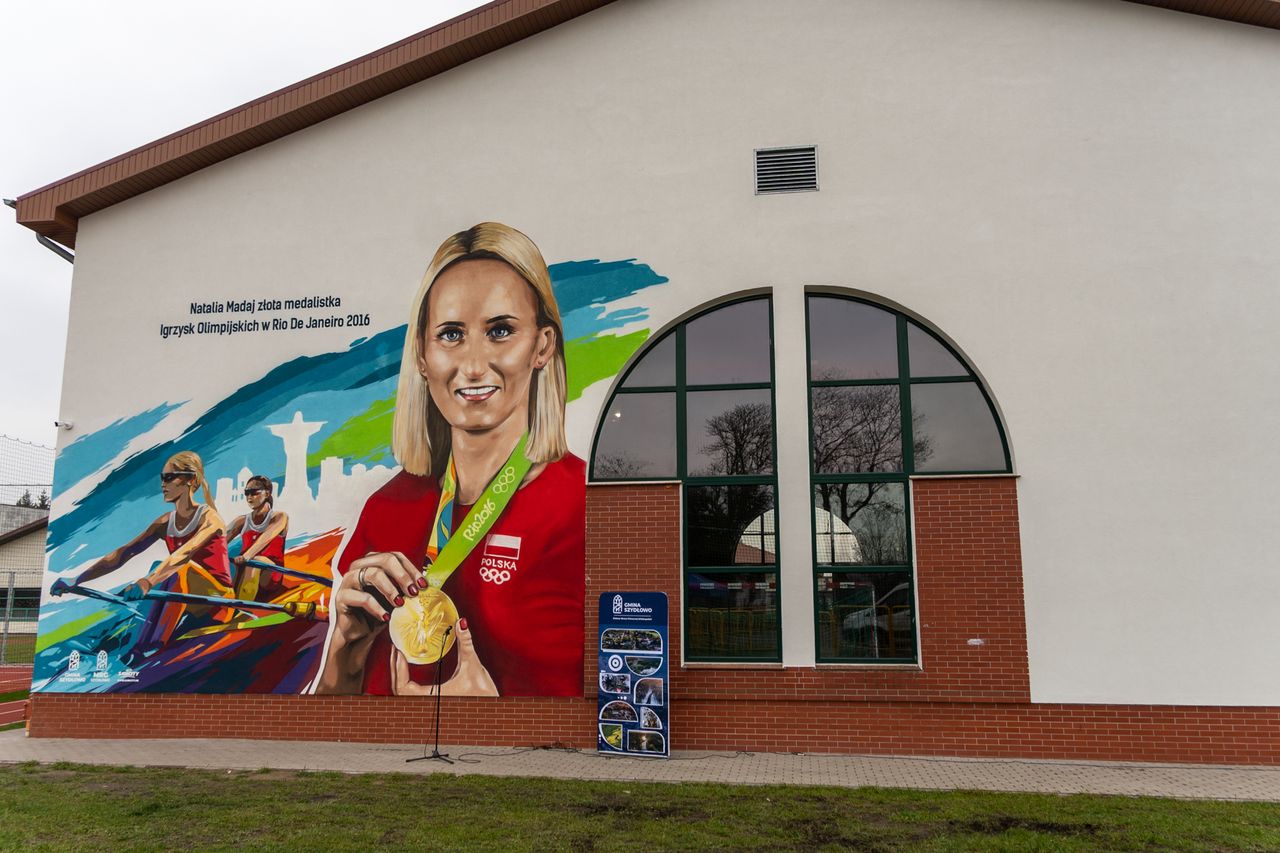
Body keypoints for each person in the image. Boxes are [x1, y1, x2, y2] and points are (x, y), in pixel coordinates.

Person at [316, 222, 585, 696]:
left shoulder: (584, 504)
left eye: (500, 331)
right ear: (422, 353)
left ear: (541, 346)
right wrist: (344, 650)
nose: (474, 365)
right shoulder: (388, 508)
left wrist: (481, 722)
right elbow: (329, 728)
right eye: (451, 334)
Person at [51, 450, 235, 657]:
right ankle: (130, 639)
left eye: (169, 477)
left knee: (176, 570)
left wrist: (147, 582)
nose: (162, 484)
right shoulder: (164, 522)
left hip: (218, 601)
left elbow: (185, 553)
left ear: (190, 480)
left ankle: (149, 648)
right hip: (187, 600)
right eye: (161, 478)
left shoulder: (211, 518)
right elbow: (123, 554)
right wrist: (76, 580)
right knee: (158, 567)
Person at [225, 475, 289, 601]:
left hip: (270, 574)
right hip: (244, 570)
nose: (249, 497)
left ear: (267, 493)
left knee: (255, 560)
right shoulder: (241, 521)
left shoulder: (280, 517)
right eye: (247, 493)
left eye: (254, 492)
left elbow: (265, 538)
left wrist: (246, 556)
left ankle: (241, 606)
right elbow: (220, 540)